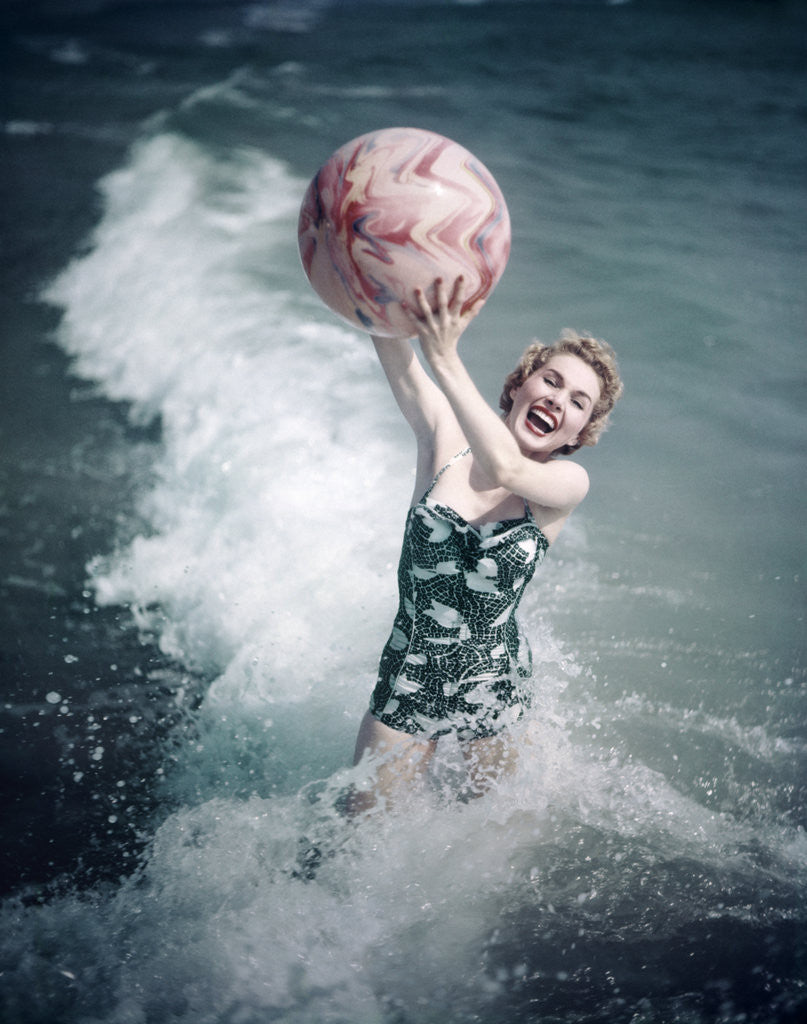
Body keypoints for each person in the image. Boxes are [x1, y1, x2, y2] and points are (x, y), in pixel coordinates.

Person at [349, 276, 623, 812]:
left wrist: (446, 356)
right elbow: (388, 341)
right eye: (550, 380)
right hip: (409, 678)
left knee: (482, 848)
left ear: (577, 435)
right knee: (351, 846)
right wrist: (367, 266)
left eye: (578, 403)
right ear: (520, 383)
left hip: (492, 689)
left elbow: (506, 466)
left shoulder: (564, 489)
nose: (557, 400)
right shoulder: (442, 439)